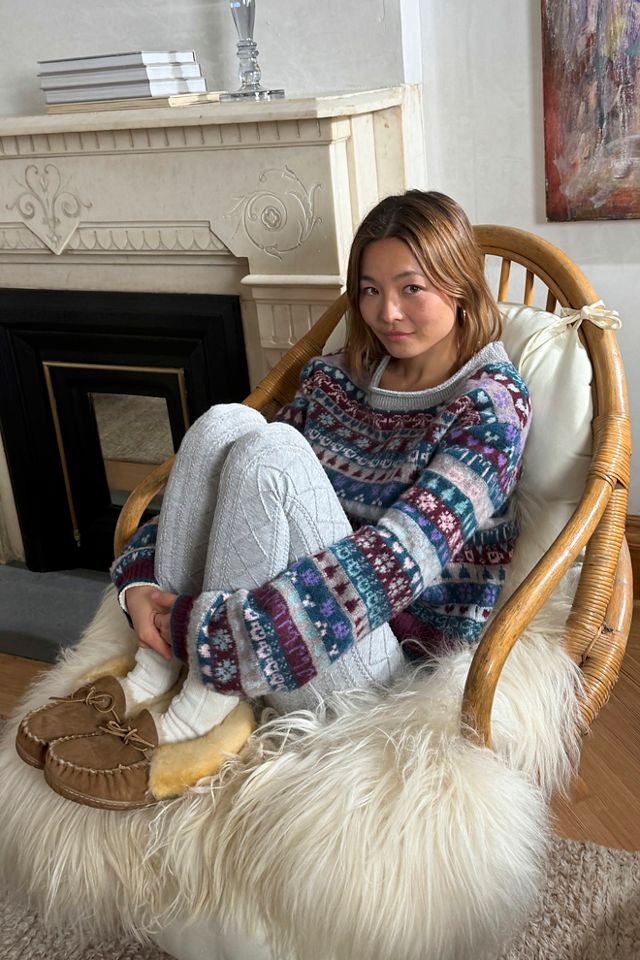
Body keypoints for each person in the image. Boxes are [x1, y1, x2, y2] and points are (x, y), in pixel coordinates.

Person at [16, 190, 531, 809]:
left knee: (273, 451)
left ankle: (203, 703)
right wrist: (141, 584)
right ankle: (156, 673)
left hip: (385, 664)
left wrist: (209, 637)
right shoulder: (336, 378)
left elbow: (396, 562)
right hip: (274, 636)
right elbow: (220, 495)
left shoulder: (491, 406)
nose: (387, 312)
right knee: (226, 424)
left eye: (411, 288)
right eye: (369, 290)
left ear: (460, 286)